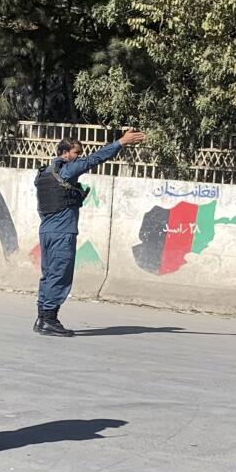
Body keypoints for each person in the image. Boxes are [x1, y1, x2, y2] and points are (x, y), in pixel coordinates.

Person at [33, 128, 146, 336]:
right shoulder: (66, 171)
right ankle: (49, 319)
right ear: (65, 153)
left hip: (47, 231)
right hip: (62, 232)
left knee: (49, 275)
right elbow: (94, 160)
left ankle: (42, 319)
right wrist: (120, 142)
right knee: (59, 275)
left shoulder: (43, 174)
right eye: (76, 153)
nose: (79, 157)